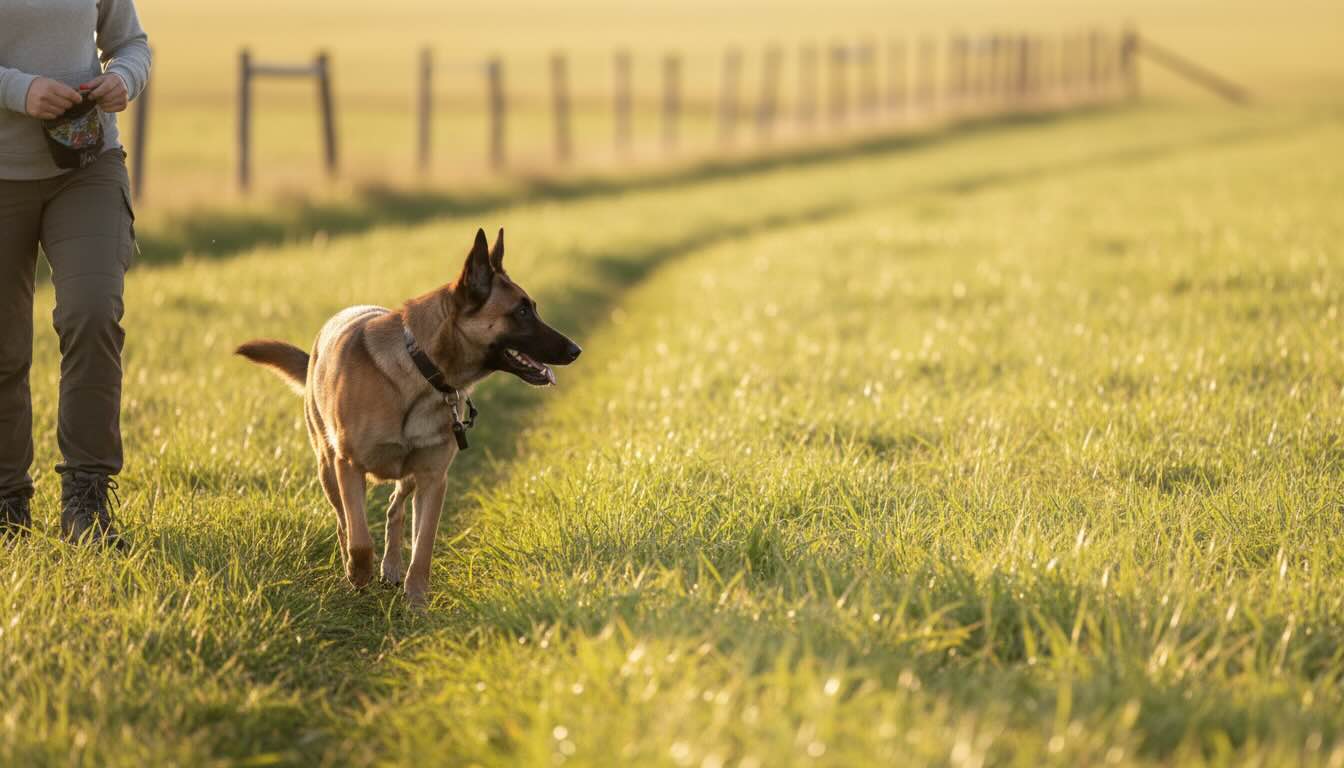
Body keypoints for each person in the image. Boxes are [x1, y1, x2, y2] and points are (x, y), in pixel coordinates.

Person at [0, 0, 151, 548]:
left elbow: (131, 43)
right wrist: (20, 90)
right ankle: (6, 505)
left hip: (86, 166)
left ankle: (86, 503)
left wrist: (123, 81)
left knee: (92, 311)